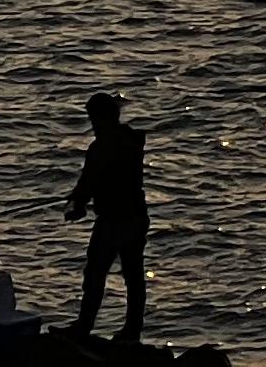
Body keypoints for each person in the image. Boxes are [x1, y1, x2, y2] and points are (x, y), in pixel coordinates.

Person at [65, 90, 151, 346]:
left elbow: (89, 182)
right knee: (133, 276)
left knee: (95, 273)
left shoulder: (101, 147)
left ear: (102, 119)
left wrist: (77, 204)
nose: (92, 126)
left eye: (93, 120)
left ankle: (83, 328)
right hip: (137, 217)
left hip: (115, 221)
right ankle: (132, 332)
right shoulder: (131, 141)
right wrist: (79, 198)